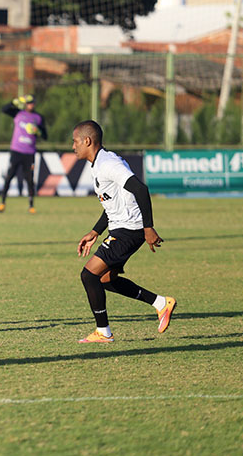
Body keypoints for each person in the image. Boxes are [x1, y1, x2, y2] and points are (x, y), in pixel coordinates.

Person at [72, 119, 176, 343]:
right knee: (105, 280)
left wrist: (148, 227)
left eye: (75, 141)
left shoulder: (108, 164)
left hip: (129, 230)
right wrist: (95, 231)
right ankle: (161, 303)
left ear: (87, 141)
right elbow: (113, 203)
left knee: (88, 275)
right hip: (123, 227)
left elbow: (140, 188)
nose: (73, 147)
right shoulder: (99, 164)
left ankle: (103, 332)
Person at [0, 94, 47, 214]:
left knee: (29, 179)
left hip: (29, 153)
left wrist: (38, 131)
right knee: (9, 176)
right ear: (25, 104)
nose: (30, 105)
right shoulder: (18, 113)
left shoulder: (38, 117)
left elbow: (45, 136)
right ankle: (2, 203)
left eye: (32, 103)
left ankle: (31, 205)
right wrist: (16, 101)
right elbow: (4, 109)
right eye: (28, 103)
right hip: (16, 151)